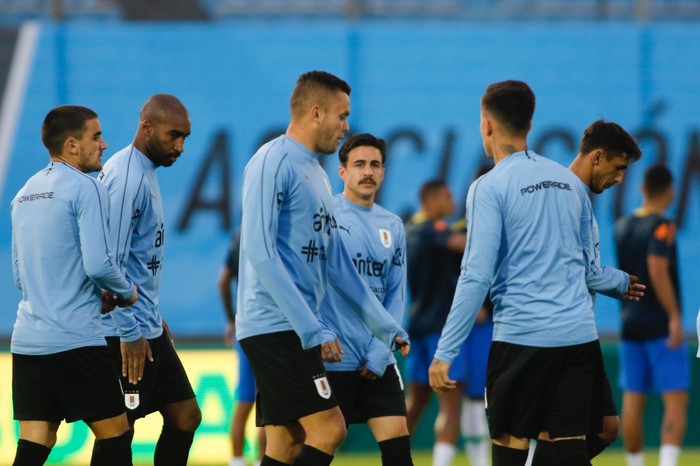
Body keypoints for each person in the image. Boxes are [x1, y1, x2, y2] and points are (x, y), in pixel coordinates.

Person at [428, 80, 631, 466]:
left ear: (486, 124)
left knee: (511, 449)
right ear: (530, 124)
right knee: (569, 446)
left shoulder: (489, 187)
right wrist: (619, 281)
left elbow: (475, 276)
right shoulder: (571, 184)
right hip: (577, 340)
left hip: (521, 340)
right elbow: (588, 269)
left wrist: (445, 352)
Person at [236, 71, 410, 466]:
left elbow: (336, 263)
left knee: (287, 444)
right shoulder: (271, 161)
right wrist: (312, 329)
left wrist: (384, 324)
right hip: (273, 325)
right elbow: (261, 254)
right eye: (342, 115)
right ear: (316, 112)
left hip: (293, 327)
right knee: (330, 429)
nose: (347, 126)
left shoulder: (314, 171)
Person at [9, 105, 138, 466]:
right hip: (75, 339)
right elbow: (99, 264)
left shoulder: (22, 195)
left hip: (29, 340)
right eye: (95, 137)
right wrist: (126, 293)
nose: (104, 144)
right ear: (71, 145)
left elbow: (21, 277)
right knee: (116, 434)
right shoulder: (88, 188)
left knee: (37, 439)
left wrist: (89, 295)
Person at [96, 94, 202, 466]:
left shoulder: (143, 171)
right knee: (118, 430)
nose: (180, 146)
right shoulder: (126, 178)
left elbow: (139, 261)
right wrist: (129, 331)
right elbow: (110, 264)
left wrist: (153, 316)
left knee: (186, 415)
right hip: (124, 331)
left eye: (185, 137)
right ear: (146, 128)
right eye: (174, 135)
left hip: (146, 323)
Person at [320, 133, 413, 465]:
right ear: (342, 171)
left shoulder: (393, 225)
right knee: (313, 450)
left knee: (399, 454)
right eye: (359, 164)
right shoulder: (324, 214)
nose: (368, 171)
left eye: (375, 164)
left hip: (377, 360)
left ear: (384, 172)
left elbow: (395, 293)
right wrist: (320, 332)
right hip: (333, 359)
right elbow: (305, 283)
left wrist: (380, 348)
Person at [566, 119, 644, 465]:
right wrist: (620, 282)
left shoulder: (579, 196)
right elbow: (577, 269)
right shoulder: (565, 196)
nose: (620, 179)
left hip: (581, 329)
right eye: (619, 167)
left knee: (605, 428)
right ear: (598, 156)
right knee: (565, 431)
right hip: (560, 332)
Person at [614, 164, 689, 466]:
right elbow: (657, 268)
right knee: (675, 399)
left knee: (633, 399)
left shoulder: (621, 226)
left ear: (641, 189)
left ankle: (635, 463)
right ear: (671, 191)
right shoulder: (664, 226)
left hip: (629, 322)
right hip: (659, 324)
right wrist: (674, 316)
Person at [403, 179, 473, 466]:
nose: (452, 201)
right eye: (446, 196)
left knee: (417, 401)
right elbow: (462, 244)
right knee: (451, 403)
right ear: (430, 200)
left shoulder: (407, 231)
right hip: (441, 329)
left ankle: (393, 457)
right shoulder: (434, 230)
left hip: (416, 324)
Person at [218, 229, 265, 466]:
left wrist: (231, 320)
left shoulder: (240, 236)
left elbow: (224, 280)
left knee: (245, 399)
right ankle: (261, 459)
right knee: (267, 398)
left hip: (244, 326)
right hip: (268, 327)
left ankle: (236, 461)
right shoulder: (271, 233)